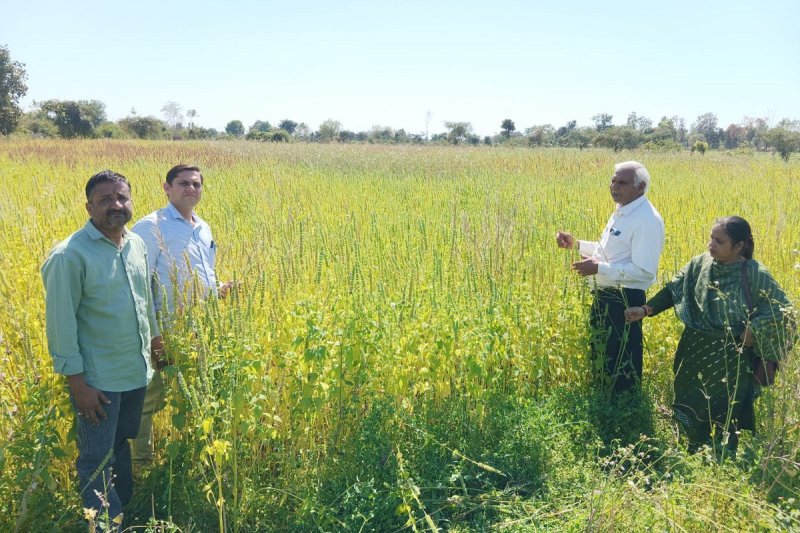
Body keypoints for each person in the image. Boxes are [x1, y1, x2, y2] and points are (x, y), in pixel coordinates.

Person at [41, 170, 163, 529]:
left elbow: (144, 303)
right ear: (89, 206)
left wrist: (155, 341)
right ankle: (103, 525)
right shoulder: (69, 256)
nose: (116, 205)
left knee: (122, 444)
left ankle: (121, 511)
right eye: (105, 199)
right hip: (98, 382)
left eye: (122, 197)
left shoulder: (136, 244)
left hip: (135, 372)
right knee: (96, 457)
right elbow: (61, 327)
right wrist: (78, 385)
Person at [624, 216, 796, 452]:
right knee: (688, 398)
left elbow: (784, 313)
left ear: (739, 246)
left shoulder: (754, 273)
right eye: (711, 238)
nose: (711, 244)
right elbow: (673, 290)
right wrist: (645, 310)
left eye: (719, 241)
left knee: (725, 406)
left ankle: (722, 456)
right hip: (693, 351)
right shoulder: (699, 264)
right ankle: (689, 447)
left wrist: (754, 330)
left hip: (730, 357)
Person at [130, 164, 233, 465]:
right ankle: (142, 465)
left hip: (200, 328)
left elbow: (202, 276)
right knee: (149, 401)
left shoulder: (203, 227)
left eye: (196, 184)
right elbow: (140, 286)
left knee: (197, 395)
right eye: (183, 183)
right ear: (167, 188)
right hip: (165, 328)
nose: (191, 189)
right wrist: (154, 335)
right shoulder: (151, 227)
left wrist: (222, 288)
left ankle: (192, 460)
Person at [556, 161, 665, 392]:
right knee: (603, 357)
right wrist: (577, 245)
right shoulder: (623, 212)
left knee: (622, 364)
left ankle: (625, 412)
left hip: (625, 300)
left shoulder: (646, 220)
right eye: (613, 180)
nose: (614, 186)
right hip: (605, 296)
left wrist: (599, 269)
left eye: (622, 182)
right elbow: (609, 254)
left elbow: (644, 272)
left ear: (641, 187)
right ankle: (604, 401)